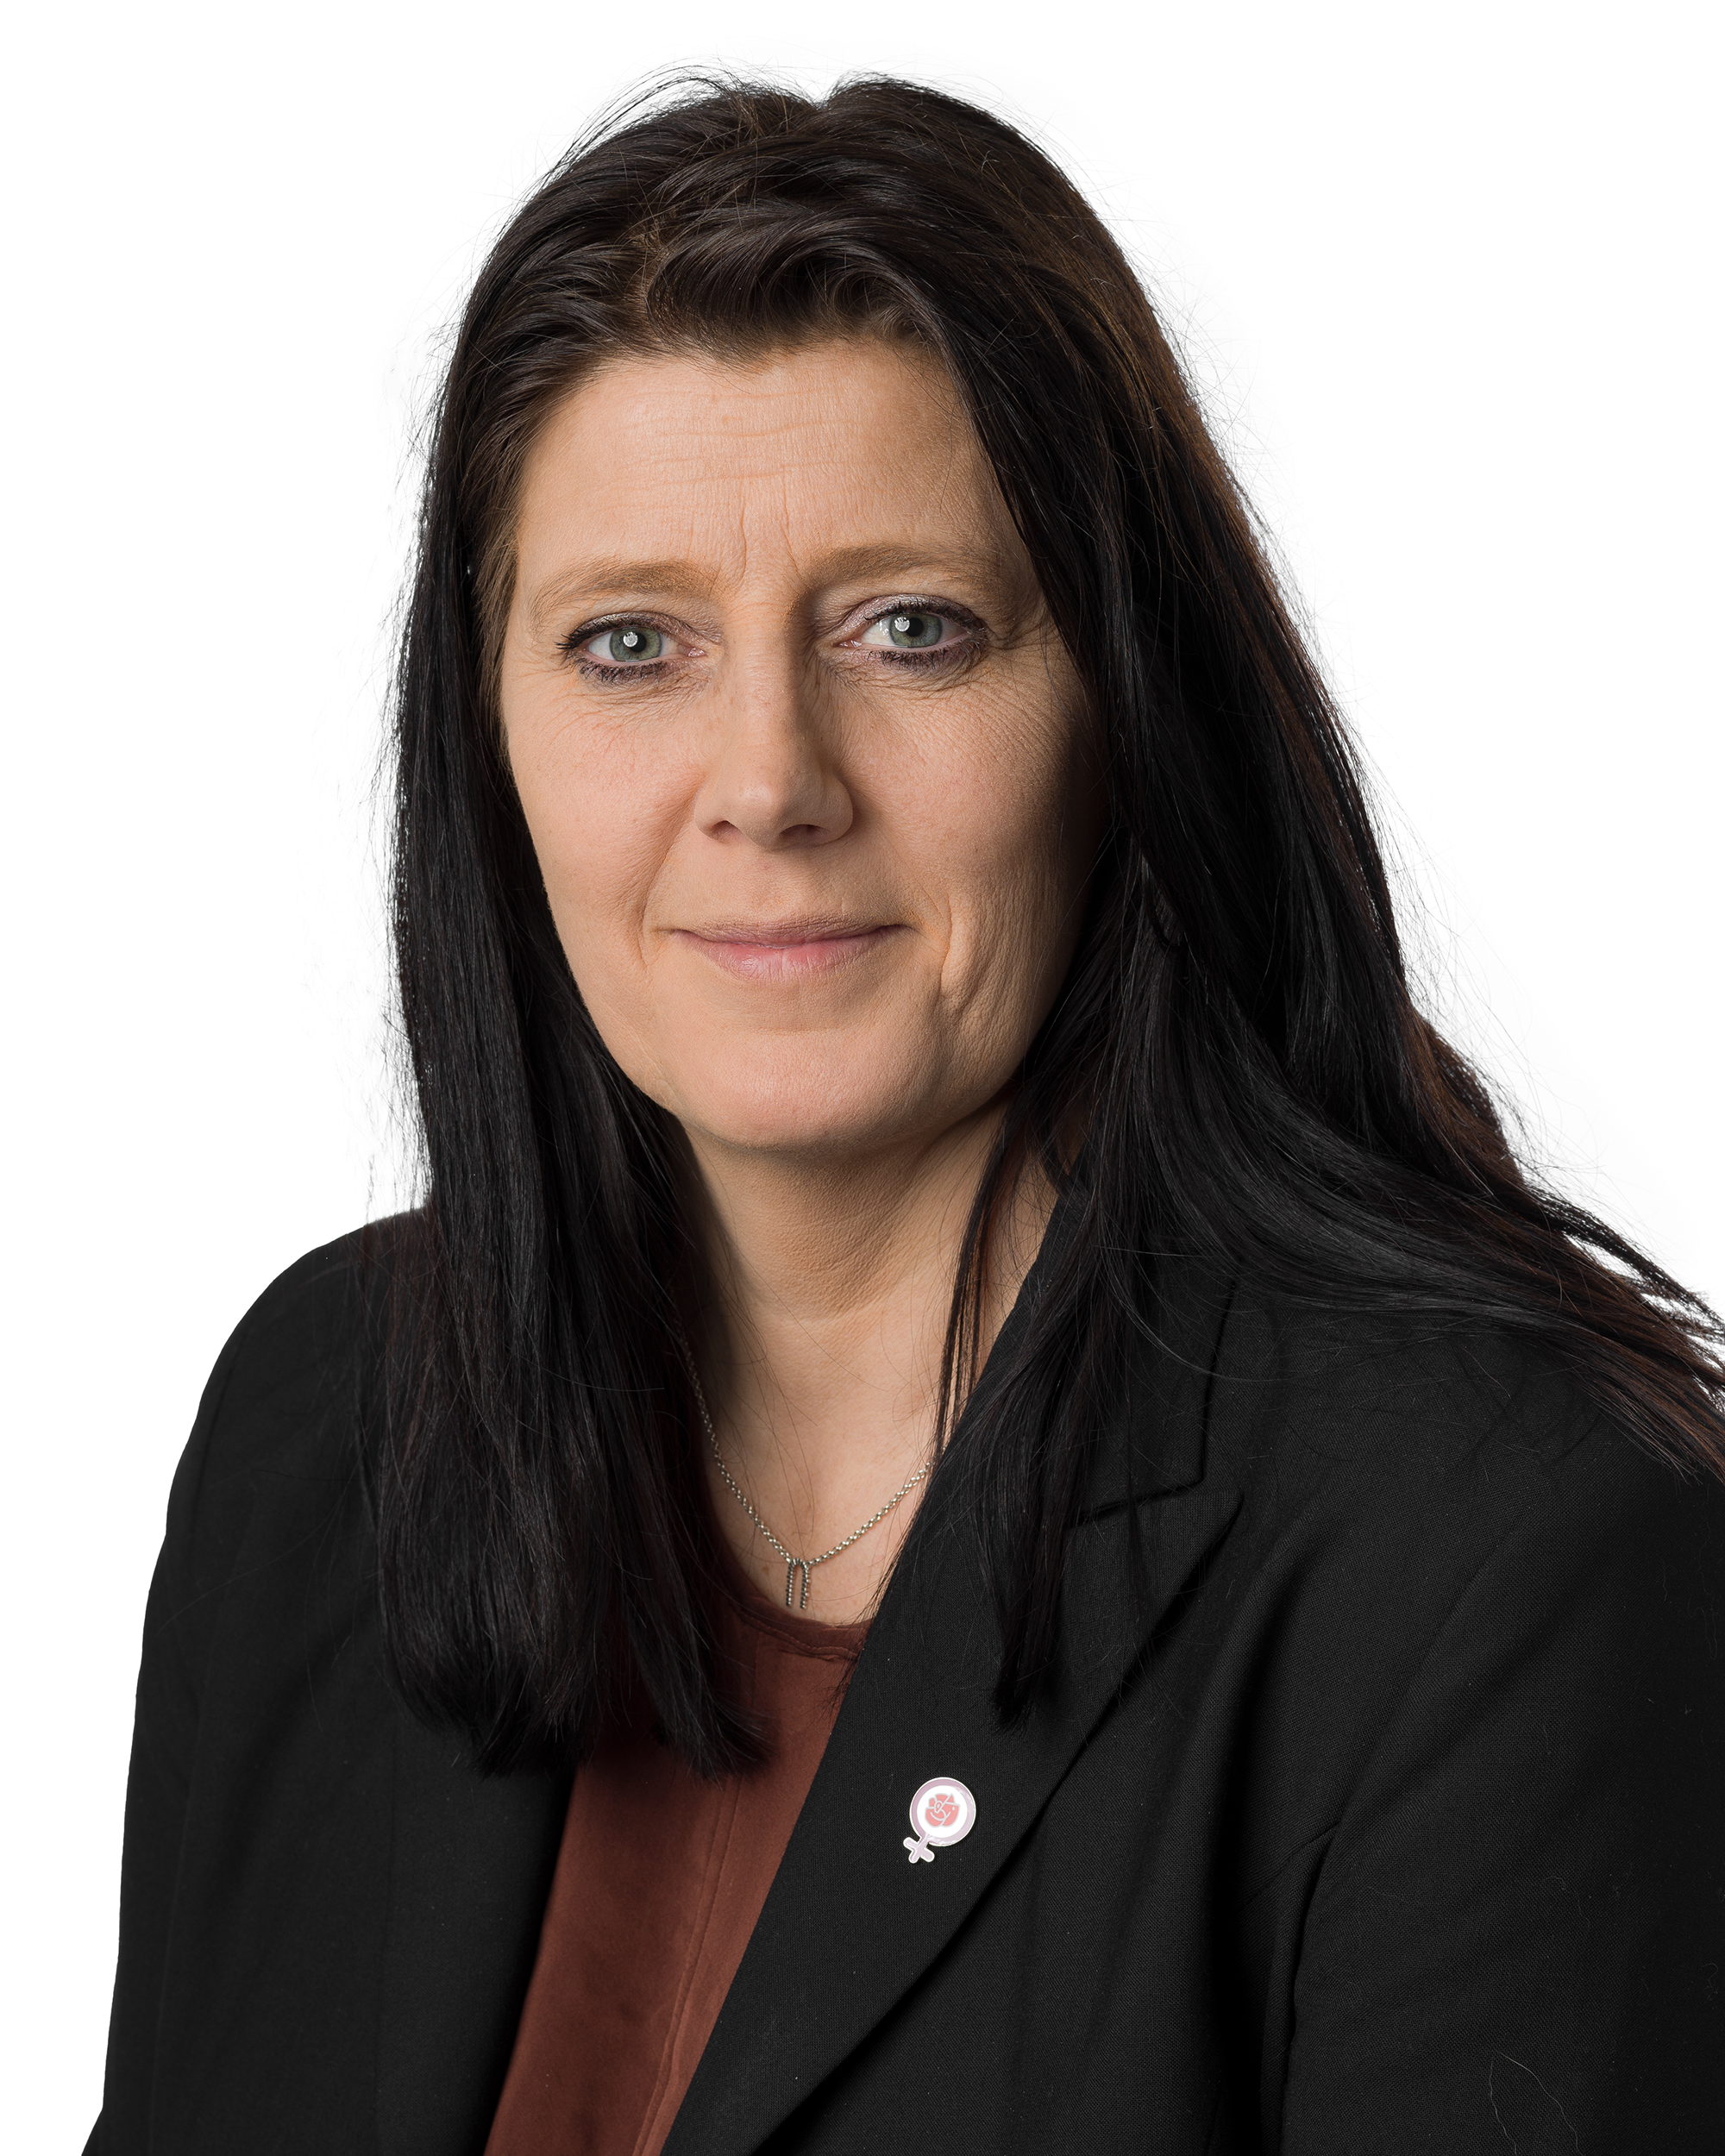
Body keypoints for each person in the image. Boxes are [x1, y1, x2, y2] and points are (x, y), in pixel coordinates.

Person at [86, 76, 1725, 2156]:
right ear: (486, 735)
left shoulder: (1503, 1557)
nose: (770, 779)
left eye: (910, 629)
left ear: (1124, 705)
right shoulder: (333, 1428)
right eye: (629, 642)